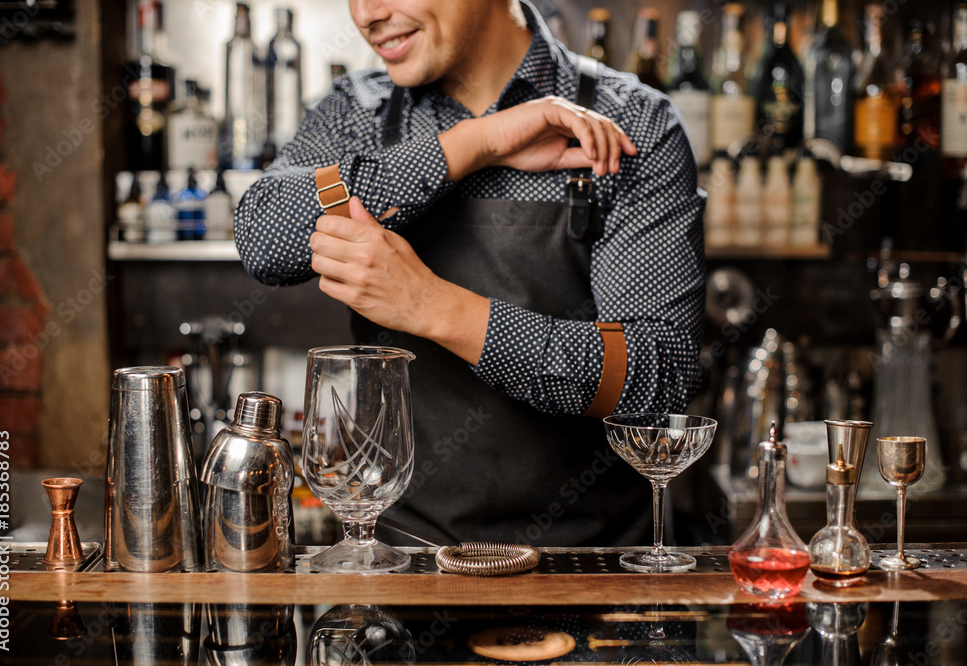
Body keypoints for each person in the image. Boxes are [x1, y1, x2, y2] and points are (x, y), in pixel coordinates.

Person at [234, 0, 706, 547]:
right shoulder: (356, 113)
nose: (367, 14)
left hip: (593, 567)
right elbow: (263, 238)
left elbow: (658, 375)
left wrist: (432, 308)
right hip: (402, 561)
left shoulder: (630, 123)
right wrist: (476, 145)